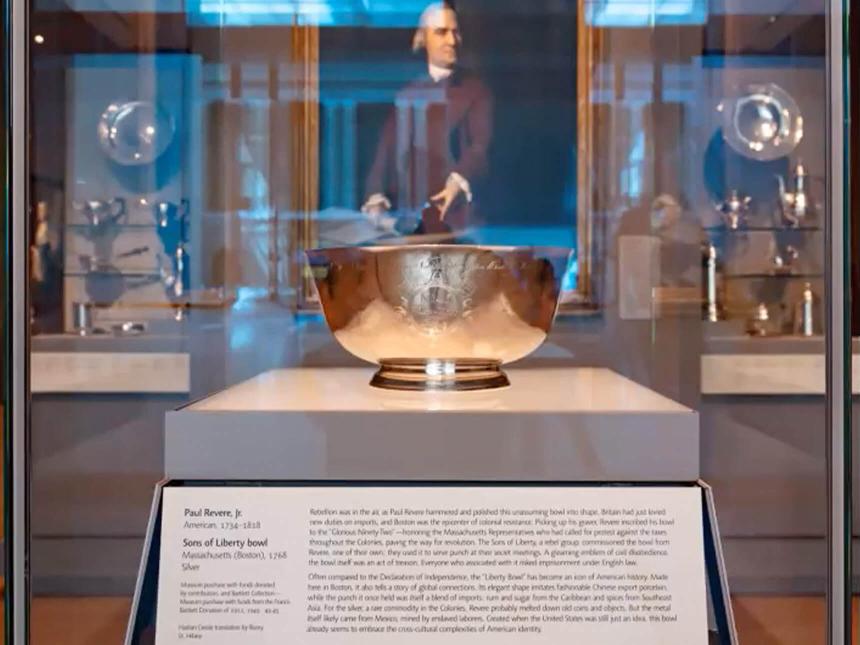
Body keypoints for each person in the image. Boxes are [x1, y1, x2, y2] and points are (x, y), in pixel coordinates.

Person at [362, 1, 493, 236]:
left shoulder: (474, 91)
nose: (451, 41)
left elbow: (479, 147)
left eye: (455, 32)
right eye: (441, 33)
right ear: (423, 38)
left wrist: (458, 181)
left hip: (457, 223)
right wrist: (375, 196)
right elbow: (383, 156)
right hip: (407, 223)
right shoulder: (406, 93)